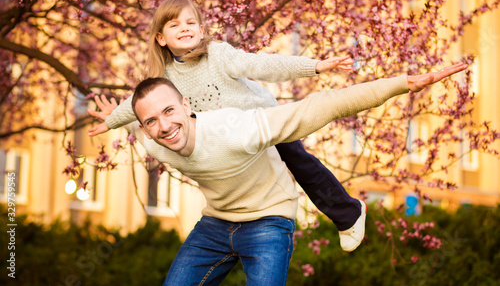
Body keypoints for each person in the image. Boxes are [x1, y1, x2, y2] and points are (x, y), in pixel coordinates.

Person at [114, 62, 465, 285]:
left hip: (268, 220)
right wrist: (110, 116)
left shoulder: (235, 127)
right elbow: (129, 121)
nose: (164, 126)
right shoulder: (154, 144)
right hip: (215, 226)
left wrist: (400, 84)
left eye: (169, 111)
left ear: (187, 106)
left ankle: (348, 213)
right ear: (144, 129)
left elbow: (321, 107)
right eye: (151, 121)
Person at [88, 0, 367, 252]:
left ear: (200, 28)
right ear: (161, 38)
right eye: (175, 25)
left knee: (300, 163)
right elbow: (136, 104)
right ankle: (235, 230)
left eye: (190, 22)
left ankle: (348, 214)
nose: (185, 28)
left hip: (262, 122)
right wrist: (111, 120)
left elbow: (263, 66)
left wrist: (315, 66)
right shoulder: (165, 77)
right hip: (230, 139)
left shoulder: (218, 55)